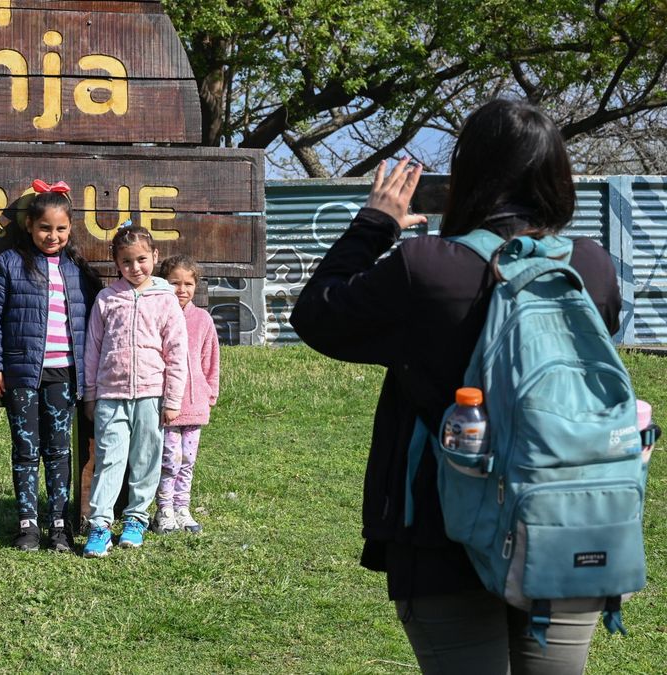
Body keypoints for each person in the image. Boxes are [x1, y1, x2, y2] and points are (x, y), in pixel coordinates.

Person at [289, 99, 622, 674]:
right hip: (569, 517)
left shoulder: (426, 267)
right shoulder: (591, 267)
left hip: (442, 528)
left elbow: (318, 316)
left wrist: (375, 223)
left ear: (469, 173)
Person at [0, 183, 99, 552]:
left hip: (64, 373)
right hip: (22, 373)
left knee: (59, 451)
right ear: (30, 225)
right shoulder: (9, 263)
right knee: (26, 449)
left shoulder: (77, 269)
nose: (53, 235)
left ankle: (59, 525)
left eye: (61, 228)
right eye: (45, 227)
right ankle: (27, 524)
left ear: (70, 228)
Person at [80, 224, 188, 558]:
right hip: (110, 396)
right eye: (126, 261)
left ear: (154, 256)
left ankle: (135, 520)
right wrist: (90, 394)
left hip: (151, 396)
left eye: (141, 259)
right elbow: (92, 350)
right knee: (108, 460)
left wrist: (172, 399)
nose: (135, 267)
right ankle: (100, 525)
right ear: (116, 263)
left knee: (145, 459)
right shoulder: (107, 299)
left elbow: (177, 352)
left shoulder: (166, 300)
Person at [153, 255, 220, 535]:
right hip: (168, 405)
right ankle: (164, 509)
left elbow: (210, 360)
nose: (181, 289)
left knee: (188, 460)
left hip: (195, 404)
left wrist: (210, 394)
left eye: (188, 284)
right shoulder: (157, 313)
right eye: (174, 283)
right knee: (170, 459)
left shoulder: (203, 319)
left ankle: (182, 507)